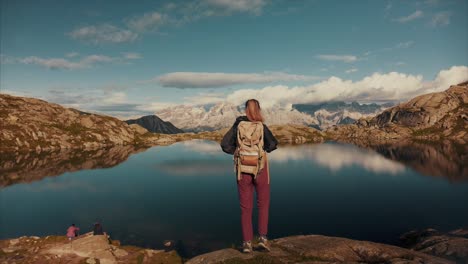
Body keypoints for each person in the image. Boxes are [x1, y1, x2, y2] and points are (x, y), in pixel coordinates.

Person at [221, 99, 278, 253]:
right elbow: (273, 145)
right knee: (263, 205)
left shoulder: (238, 125)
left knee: (245, 208)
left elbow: (225, 145)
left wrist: (238, 152)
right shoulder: (261, 126)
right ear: (258, 110)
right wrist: (261, 149)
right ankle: (263, 239)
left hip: (243, 169)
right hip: (260, 169)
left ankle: (247, 243)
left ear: (246, 110)